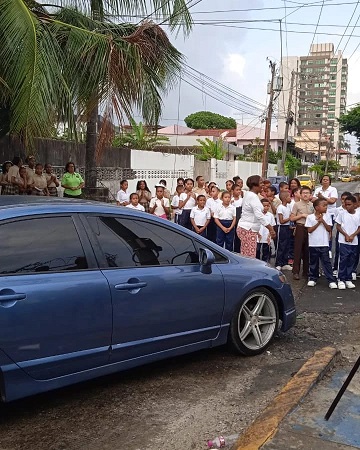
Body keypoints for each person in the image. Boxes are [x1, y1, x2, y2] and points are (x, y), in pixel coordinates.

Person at [237, 175, 276, 258]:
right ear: (254, 184)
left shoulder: (249, 194)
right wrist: (271, 228)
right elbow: (259, 216)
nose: (263, 185)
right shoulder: (253, 197)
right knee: (249, 256)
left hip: (247, 228)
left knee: (246, 254)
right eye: (261, 183)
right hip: (248, 229)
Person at [305, 198, 338, 289]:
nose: (326, 207)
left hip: (324, 243)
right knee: (313, 262)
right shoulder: (310, 217)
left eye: (326, 205)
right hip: (313, 243)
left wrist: (322, 221)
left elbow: (329, 229)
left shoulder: (327, 216)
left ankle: (331, 280)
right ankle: (313, 278)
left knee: (326, 262)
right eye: (324, 206)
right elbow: (309, 230)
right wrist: (318, 223)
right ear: (316, 207)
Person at [335, 195, 360, 289]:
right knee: (343, 259)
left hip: (354, 241)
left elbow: (359, 227)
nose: (347, 206)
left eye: (349, 204)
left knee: (351, 259)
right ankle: (341, 279)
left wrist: (353, 235)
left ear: (355, 204)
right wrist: (346, 235)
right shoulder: (342, 213)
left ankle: (348, 278)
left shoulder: (358, 214)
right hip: (343, 241)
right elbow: (338, 226)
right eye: (346, 204)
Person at [290, 186, 314, 280]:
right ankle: (295, 272)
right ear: (300, 194)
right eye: (303, 193)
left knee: (308, 250)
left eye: (307, 193)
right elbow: (292, 218)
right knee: (298, 250)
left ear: (310, 195)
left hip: (310, 228)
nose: (305, 195)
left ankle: (306, 272)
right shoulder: (297, 205)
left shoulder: (313, 205)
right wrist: (302, 215)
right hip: (300, 227)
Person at [313, 174, 338, 257]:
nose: (325, 181)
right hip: (318, 213)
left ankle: (329, 249)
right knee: (319, 231)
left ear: (329, 181)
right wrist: (324, 200)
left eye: (327, 180)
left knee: (328, 231)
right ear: (321, 181)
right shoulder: (318, 189)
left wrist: (321, 198)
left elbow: (332, 201)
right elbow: (313, 200)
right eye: (323, 179)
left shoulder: (333, 189)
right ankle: (319, 248)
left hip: (330, 213)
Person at [333, 191, 352, 276]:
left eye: (346, 199)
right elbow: (336, 223)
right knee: (338, 251)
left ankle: (349, 270)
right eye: (343, 199)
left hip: (351, 234)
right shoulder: (338, 210)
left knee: (350, 253)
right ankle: (336, 268)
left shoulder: (353, 211)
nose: (344, 201)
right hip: (340, 233)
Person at [275, 192, 293, 271]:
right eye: (289, 196)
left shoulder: (288, 206)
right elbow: (281, 221)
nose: (290, 198)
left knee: (287, 245)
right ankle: (278, 263)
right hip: (282, 228)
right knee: (281, 246)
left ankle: (285, 263)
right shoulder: (280, 208)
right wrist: (290, 218)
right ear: (285, 198)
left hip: (288, 227)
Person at [256, 198, 276, 262]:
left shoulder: (270, 215)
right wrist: (257, 233)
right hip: (258, 236)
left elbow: (272, 226)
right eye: (264, 206)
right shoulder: (257, 215)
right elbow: (254, 225)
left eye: (267, 206)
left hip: (266, 236)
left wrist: (269, 235)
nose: (266, 207)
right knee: (257, 250)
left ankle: (266, 263)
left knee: (266, 251)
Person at [231, 184, 243, 253]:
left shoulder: (242, 200)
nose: (239, 191)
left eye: (239, 190)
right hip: (232, 220)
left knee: (238, 238)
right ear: (233, 191)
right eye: (237, 190)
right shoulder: (231, 200)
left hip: (240, 221)